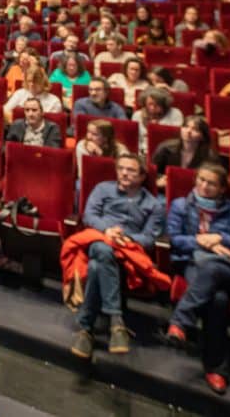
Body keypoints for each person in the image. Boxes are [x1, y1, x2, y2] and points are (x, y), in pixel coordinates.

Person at [164, 163, 230, 395]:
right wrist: (201, 241)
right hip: (196, 263)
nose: (204, 186)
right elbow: (174, 239)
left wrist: (220, 238)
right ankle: (216, 369)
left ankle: (180, 321)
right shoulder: (181, 206)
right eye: (201, 180)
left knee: (214, 270)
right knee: (217, 300)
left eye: (212, 183)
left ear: (223, 188)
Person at [70, 154, 165, 361]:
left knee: (97, 266)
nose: (124, 173)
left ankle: (86, 328)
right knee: (101, 249)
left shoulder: (153, 204)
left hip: (126, 251)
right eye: (121, 168)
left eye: (130, 170)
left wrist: (124, 238)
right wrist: (108, 231)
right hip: (99, 239)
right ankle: (116, 320)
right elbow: (89, 216)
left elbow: (149, 238)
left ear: (142, 176)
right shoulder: (103, 189)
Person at [151, 116, 220, 189]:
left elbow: (213, 179)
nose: (188, 131)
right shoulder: (165, 148)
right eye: (186, 126)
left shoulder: (210, 157)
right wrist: (158, 181)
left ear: (203, 136)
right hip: (166, 189)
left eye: (195, 129)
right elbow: (153, 172)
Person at [132, 88, 184, 156]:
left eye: (157, 105)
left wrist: (157, 129)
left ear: (164, 104)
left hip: (166, 152)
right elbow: (135, 139)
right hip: (142, 152)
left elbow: (177, 138)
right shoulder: (137, 115)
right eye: (150, 104)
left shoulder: (175, 113)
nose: (152, 108)